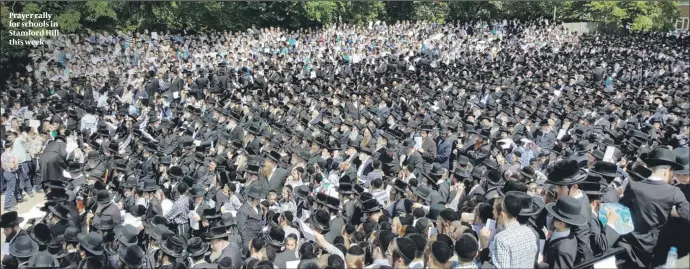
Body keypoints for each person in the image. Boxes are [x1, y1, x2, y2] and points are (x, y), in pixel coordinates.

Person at [484, 192, 538, 268]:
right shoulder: (529, 232)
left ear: (502, 215)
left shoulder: (501, 239)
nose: (493, 212)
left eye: (494, 209)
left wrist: (486, 265)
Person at [540, 197, 585, 269]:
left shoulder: (563, 250)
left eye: (554, 217)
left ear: (561, 223)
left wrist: (540, 263)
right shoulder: (566, 234)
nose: (552, 218)